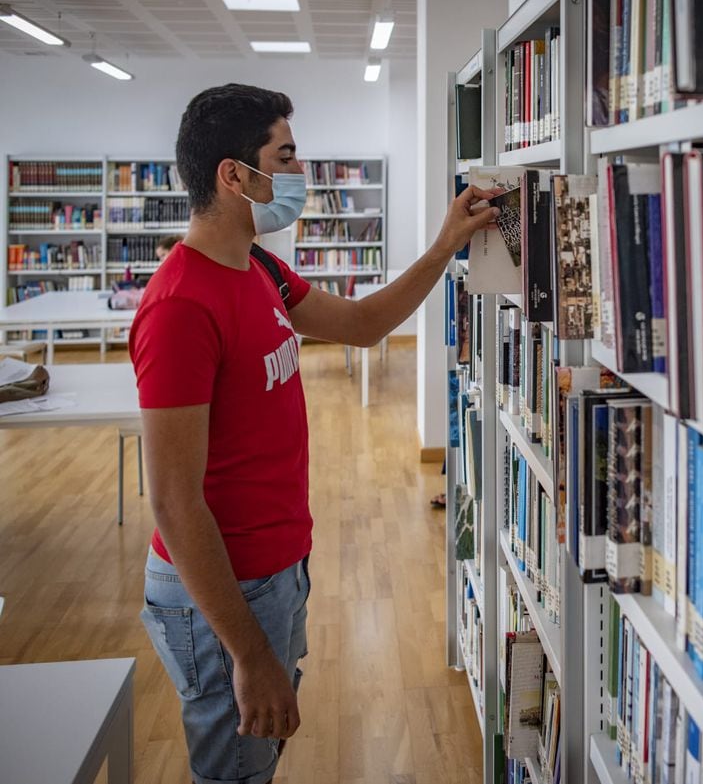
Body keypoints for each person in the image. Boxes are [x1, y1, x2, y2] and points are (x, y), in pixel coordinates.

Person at [130, 83, 498, 784]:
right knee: (234, 771)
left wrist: (445, 246)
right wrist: (249, 652)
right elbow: (174, 503)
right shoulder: (180, 305)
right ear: (233, 175)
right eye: (287, 156)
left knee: (259, 759)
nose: (302, 174)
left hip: (278, 571)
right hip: (222, 596)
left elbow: (360, 325)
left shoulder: (261, 269)